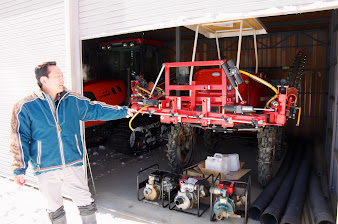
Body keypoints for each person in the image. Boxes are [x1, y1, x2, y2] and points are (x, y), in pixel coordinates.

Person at [9, 61, 135, 224]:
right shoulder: (25, 106)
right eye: (57, 76)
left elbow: (96, 109)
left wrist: (124, 111)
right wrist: (19, 168)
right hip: (45, 167)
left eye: (62, 75)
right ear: (44, 80)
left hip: (73, 162)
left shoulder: (72, 100)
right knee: (54, 207)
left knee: (85, 202)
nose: (62, 79)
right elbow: (19, 137)